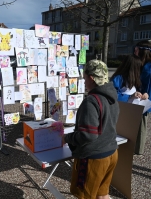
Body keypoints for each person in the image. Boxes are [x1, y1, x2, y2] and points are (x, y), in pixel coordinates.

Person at [62, 59, 119, 199]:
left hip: (94, 158)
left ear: (91, 78)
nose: (84, 81)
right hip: (111, 153)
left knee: (85, 196)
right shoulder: (112, 96)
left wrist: (67, 138)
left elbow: (88, 135)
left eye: (85, 77)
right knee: (103, 194)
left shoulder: (92, 101)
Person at [133, 40, 151, 155]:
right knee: (138, 123)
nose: (135, 51)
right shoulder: (147, 64)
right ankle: (136, 146)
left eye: (137, 49)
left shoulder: (150, 66)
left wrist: (145, 93)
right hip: (142, 97)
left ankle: (138, 149)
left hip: (145, 100)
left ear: (142, 51)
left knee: (141, 124)